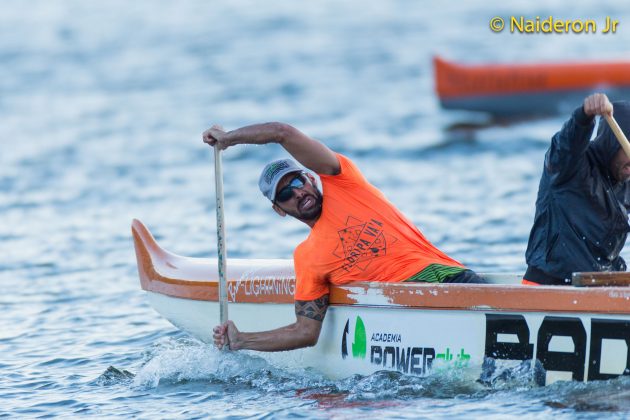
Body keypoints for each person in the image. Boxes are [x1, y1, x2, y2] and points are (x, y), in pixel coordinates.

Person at [203, 122, 486, 352]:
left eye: (298, 182)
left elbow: (283, 133)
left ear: (311, 179)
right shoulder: (307, 257)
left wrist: (230, 138)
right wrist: (241, 341)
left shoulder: (344, 183)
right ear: (279, 210)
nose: (298, 193)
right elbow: (306, 332)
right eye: (286, 194)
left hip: (447, 281)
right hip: (410, 312)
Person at [523, 93, 630, 286]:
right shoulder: (569, 165)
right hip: (549, 286)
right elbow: (567, 145)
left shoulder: (625, 178)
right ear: (613, 141)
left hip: (598, 284)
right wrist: (584, 116)